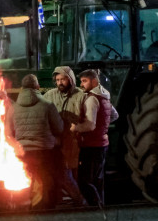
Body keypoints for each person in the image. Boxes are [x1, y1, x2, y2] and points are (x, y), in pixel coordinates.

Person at [9, 74, 63, 209]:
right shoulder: (47, 105)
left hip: (22, 153)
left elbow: (7, 132)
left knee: (27, 182)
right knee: (45, 183)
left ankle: (26, 207)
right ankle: (45, 211)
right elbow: (60, 128)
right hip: (44, 151)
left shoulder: (13, 108)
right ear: (37, 87)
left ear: (22, 88)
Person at [47, 66, 94, 206]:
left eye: (63, 79)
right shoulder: (49, 96)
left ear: (71, 79)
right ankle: (60, 201)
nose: (60, 83)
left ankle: (79, 202)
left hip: (73, 141)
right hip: (55, 142)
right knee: (58, 173)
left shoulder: (81, 96)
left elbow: (92, 118)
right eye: (57, 80)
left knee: (72, 173)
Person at [77, 69, 119, 207]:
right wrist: (103, 126)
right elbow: (115, 115)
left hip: (91, 145)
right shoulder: (105, 98)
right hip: (102, 144)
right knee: (98, 180)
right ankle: (101, 209)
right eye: (81, 81)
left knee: (85, 181)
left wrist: (74, 128)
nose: (81, 85)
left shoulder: (92, 99)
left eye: (84, 81)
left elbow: (89, 125)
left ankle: (95, 208)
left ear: (94, 81)